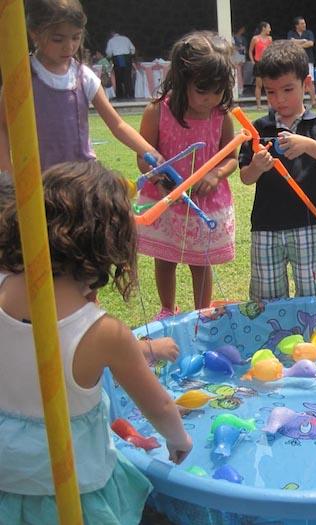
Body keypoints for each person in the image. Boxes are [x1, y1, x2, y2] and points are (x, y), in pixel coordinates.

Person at [0, 160, 193, 525]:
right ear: (110, 246)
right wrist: (179, 441)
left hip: (6, 483)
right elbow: (160, 407)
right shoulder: (104, 333)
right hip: (74, 492)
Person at [136, 31, 238, 320]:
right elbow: (143, 157)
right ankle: (167, 308)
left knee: (200, 261)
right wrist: (159, 177)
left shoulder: (221, 116)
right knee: (165, 258)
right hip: (166, 201)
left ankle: (201, 311)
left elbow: (231, 157)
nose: (209, 100)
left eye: (217, 91)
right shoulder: (157, 112)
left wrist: (216, 174)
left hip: (205, 204)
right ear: (182, 81)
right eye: (202, 91)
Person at [238, 40, 316, 301]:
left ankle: (311, 340)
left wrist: (308, 145)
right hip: (266, 226)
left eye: (288, 89)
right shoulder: (257, 129)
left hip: (309, 223)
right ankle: (271, 338)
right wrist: (257, 166)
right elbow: (245, 176)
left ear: (306, 83)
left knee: (312, 295)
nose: (280, 99)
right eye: (271, 92)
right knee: (266, 298)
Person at [0, 0, 162, 174]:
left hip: (81, 180)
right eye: (57, 39)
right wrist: (7, 173)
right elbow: (2, 126)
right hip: (38, 183)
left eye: (76, 37)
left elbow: (118, 125)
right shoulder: (22, 78)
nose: (69, 47)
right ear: (35, 33)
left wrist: (150, 153)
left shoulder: (83, 76)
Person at [288, 16, 316, 109]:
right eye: (302, 23)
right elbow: (290, 42)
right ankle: (298, 103)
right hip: (295, 60)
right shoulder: (291, 33)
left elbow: (311, 43)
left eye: (304, 23)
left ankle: (314, 102)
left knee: (310, 81)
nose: (304, 25)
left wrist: (298, 45)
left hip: (308, 60)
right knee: (296, 81)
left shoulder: (309, 33)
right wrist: (302, 41)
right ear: (297, 25)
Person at [249, 21, 273, 110]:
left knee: (268, 84)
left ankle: (269, 104)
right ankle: (258, 105)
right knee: (259, 85)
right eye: (268, 27)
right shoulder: (255, 39)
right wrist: (252, 61)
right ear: (263, 28)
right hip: (258, 63)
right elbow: (250, 51)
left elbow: (271, 50)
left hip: (266, 62)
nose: (270, 30)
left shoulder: (269, 39)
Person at [105, 29, 135, 99]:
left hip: (117, 58)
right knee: (127, 77)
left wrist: (109, 57)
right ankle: (130, 94)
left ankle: (120, 95)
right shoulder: (126, 39)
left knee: (118, 78)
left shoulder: (111, 41)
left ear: (112, 34)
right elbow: (133, 49)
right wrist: (130, 55)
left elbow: (108, 52)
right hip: (126, 58)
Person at [233, 25, 248, 98]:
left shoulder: (243, 38)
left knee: (241, 72)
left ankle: (241, 87)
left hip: (242, 56)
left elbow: (245, 47)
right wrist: (239, 48)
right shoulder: (233, 37)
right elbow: (233, 47)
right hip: (236, 56)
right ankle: (239, 88)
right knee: (237, 72)